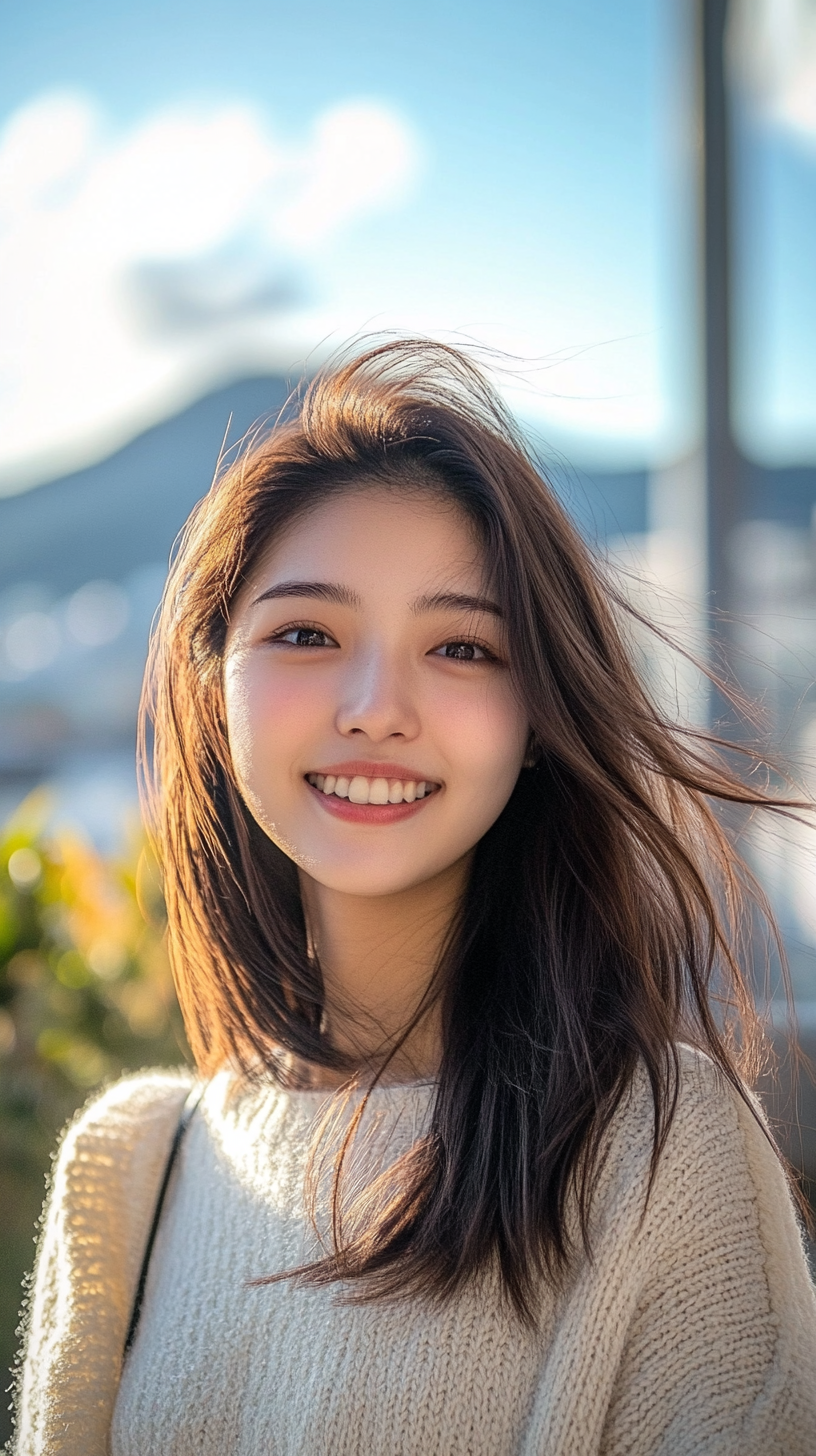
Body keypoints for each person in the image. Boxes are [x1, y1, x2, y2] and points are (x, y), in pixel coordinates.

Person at [13, 339, 816, 1455]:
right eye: (307, 633)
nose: (377, 705)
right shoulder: (130, 1172)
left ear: (538, 715)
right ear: (215, 680)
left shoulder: (658, 1153)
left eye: (461, 646)